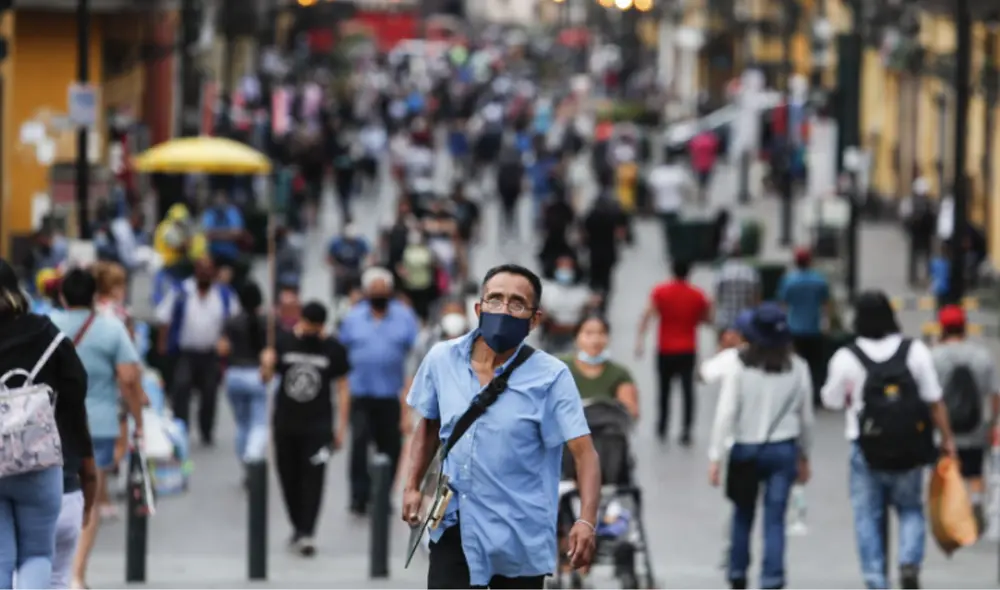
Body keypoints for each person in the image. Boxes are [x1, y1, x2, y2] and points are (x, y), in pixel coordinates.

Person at [402, 263, 600, 589]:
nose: (503, 309)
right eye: (495, 299)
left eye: (517, 303)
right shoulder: (441, 359)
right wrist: (412, 485)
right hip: (455, 525)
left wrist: (586, 521)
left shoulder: (552, 376)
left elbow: (585, 454)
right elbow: (427, 426)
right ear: (479, 308)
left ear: (535, 319)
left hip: (519, 534)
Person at [821, 291, 956, 590]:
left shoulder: (847, 356)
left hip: (865, 448)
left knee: (867, 515)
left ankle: (875, 579)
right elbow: (934, 399)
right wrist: (947, 440)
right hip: (909, 445)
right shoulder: (915, 351)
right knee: (910, 509)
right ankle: (909, 561)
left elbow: (829, 400)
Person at [0, 259, 94, 589]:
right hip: (39, 462)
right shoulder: (45, 334)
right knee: (38, 554)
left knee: (1, 560)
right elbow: (77, 388)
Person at [707, 303, 814, 590]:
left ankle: (738, 571)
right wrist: (805, 454)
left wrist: (715, 456)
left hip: (746, 449)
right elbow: (807, 418)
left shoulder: (740, 366)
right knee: (775, 519)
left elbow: (726, 414)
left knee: (742, 514)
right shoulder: (798, 367)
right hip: (783, 449)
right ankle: (772, 578)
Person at [50, 268, 144, 590]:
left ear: (61, 295)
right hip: (99, 425)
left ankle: (53, 569)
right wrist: (138, 422)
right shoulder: (111, 328)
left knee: (54, 495)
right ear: (93, 296)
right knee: (87, 498)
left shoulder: (48, 326)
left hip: (54, 423)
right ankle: (76, 574)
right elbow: (129, 379)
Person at [260, 301, 350, 556]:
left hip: (318, 426)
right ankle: (298, 526)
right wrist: (266, 363)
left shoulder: (333, 348)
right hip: (285, 423)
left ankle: (308, 532)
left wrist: (341, 427)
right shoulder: (284, 342)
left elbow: (343, 388)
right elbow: (265, 378)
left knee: (314, 477)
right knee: (288, 477)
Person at [339, 267, 419, 515]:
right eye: (374, 289)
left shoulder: (404, 316)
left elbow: (413, 355)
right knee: (360, 444)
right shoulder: (353, 317)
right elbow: (342, 354)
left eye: (383, 289)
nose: (379, 293)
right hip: (361, 394)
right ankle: (359, 495)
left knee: (391, 446)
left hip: (390, 395)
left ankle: (383, 494)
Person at [931, 305, 1000, 532]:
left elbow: (929, 395)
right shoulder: (982, 356)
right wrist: (992, 423)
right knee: (975, 470)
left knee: (949, 470)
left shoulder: (934, 356)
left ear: (942, 328)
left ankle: (954, 513)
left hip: (944, 429)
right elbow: (994, 394)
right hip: (975, 425)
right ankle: (977, 501)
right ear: (965, 327)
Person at [156, 257, 238, 444]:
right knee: (181, 389)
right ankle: (181, 429)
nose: (205, 274)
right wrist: (163, 345)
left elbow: (234, 320)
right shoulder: (181, 291)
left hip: (211, 353)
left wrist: (228, 340)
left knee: (210, 393)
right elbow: (163, 318)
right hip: (186, 352)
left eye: (209, 270)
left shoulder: (224, 295)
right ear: (195, 271)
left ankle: (206, 431)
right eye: (201, 270)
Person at [636, 259, 711, 444]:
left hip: (665, 348)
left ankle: (662, 426)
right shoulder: (697, 294)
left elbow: (648, 314)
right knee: (687, 391)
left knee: (664, 389)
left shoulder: (660, 291)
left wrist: (640, 341)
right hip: (687, 348)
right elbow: (706, 318)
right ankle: (686, 429)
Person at [218, 282, 269, 474]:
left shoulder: (231, 322)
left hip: (234, 374)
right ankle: (253, 456)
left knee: (242, 423)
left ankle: (245, 462)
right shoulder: (266, 322)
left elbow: (222, 348)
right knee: (259, 422)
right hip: (256, 374)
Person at [777, 247, 830, 405]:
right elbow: (826, 304)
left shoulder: (789, 281)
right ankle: (815, 395)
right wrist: (826, 323)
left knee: (796, 364)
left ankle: (797, 395)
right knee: (815, 364)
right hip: (814, 327)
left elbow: (783, 304)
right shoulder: (819, 281)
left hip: (794, 328)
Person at [562, 315, 639, 418]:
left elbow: (631, 412)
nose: (595, 340)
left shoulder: (619, 374)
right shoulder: (560, 367)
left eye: (601, 333)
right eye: (588, 333)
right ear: (576, 337)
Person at [540, 255, 597, 354]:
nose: (565, 269)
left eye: (568, 266)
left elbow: (588, 316)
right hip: (551, 338)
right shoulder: (546, 290)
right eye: (561, 266)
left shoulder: (583, 291)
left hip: (576, 339)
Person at [200, 192, 246, 280]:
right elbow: (207, 234)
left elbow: (238, 233)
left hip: (229, 255)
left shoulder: (233, 212)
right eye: (218, 200)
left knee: (225, 278)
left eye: (222, 200)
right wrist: (228, 233)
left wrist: (216, 234)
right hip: (212, 254)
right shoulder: (209, 213)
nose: (219, 202)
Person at [714, 250, 760, 337]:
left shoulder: (721, 272)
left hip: (725, 322)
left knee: (725, 349)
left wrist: (713, 319)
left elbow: (716, 298)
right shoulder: (751, 272)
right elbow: (756, 300)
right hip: (745, 321)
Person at [396, 229, 438, 323]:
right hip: (410, 285)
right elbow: (400, 266)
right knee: (410, 309)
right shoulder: (406, 251)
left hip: (424, 285)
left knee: (423, 309)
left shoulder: (426, 250)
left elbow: (431, 264)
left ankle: (424, 324)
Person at [327, 224, 371, 308]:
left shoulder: (360, 242)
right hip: (341, 270)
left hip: (355, 270)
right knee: (338, 290)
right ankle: (337, 304)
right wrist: (337, 267)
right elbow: (329, 258)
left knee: (358, 287)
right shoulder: (336, 243)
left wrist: (367, 265)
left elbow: (369, 255)